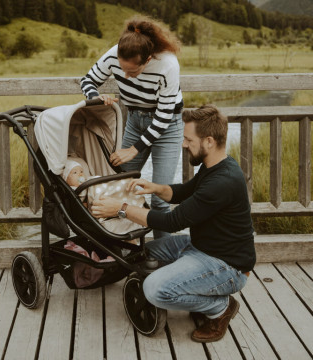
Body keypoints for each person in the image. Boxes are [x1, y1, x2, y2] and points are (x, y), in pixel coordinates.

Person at [91, 105, 256, 343]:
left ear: (209, 141)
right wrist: (155, 187)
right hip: (200, 246)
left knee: (154, 290)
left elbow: (171, 221)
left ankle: (219, 306)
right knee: (141, 254)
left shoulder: (223, 182)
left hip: (227, 266)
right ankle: (193, 284)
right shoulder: (216, 166)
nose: (184, 144)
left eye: (189, 139)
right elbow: (182, 193)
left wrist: (120, 209)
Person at [80, 15, 184, 239]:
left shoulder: (167, 64)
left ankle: (160, 254)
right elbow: (87, 80)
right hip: (135, 121)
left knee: (160, 198)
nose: (126, 76)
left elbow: (165, 115)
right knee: (120, 187)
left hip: (166, 127)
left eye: (133, 72)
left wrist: (134, 149)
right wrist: (96, 97)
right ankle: (129, 250)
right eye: (122, 70)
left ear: (147, 59)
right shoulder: (113, 55)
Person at [62, 157, 145, 237]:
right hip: (96, 204)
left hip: (102, 194)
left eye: (81, 171)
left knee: (113, 184)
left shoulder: (87, 182)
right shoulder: (71, 191)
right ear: (65, 179)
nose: (80, 174)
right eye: (75, 173)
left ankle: (128, 197)